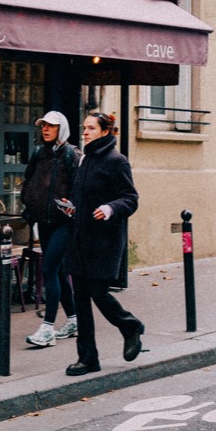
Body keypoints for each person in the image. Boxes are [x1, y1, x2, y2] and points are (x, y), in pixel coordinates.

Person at [62, 111, 144, 376]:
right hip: (79, 239)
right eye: (84, 127)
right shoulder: (84, 159)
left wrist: (110, 208)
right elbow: (82, 196)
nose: (85, 132)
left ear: (105, 131)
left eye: (91, 128)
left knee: (98, 293)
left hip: (103, 242)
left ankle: (129, 325)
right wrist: (72, 207)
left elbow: (130, 198)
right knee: (81, 301)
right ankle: (87, 358)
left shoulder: (116, 161)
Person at [21, 110, 81, 348]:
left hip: (64, 222)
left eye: (51, 126)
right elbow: (28, 180)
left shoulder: (72, 154)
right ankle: (74, 320)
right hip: (43, 220)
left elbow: (80, 187)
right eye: (43, 125)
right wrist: (28, 202)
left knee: (48, 269)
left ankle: (47, 329)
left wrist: (73, 206)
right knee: (58, 271)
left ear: (61, 129)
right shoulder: (39, 153)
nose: (45, 129)